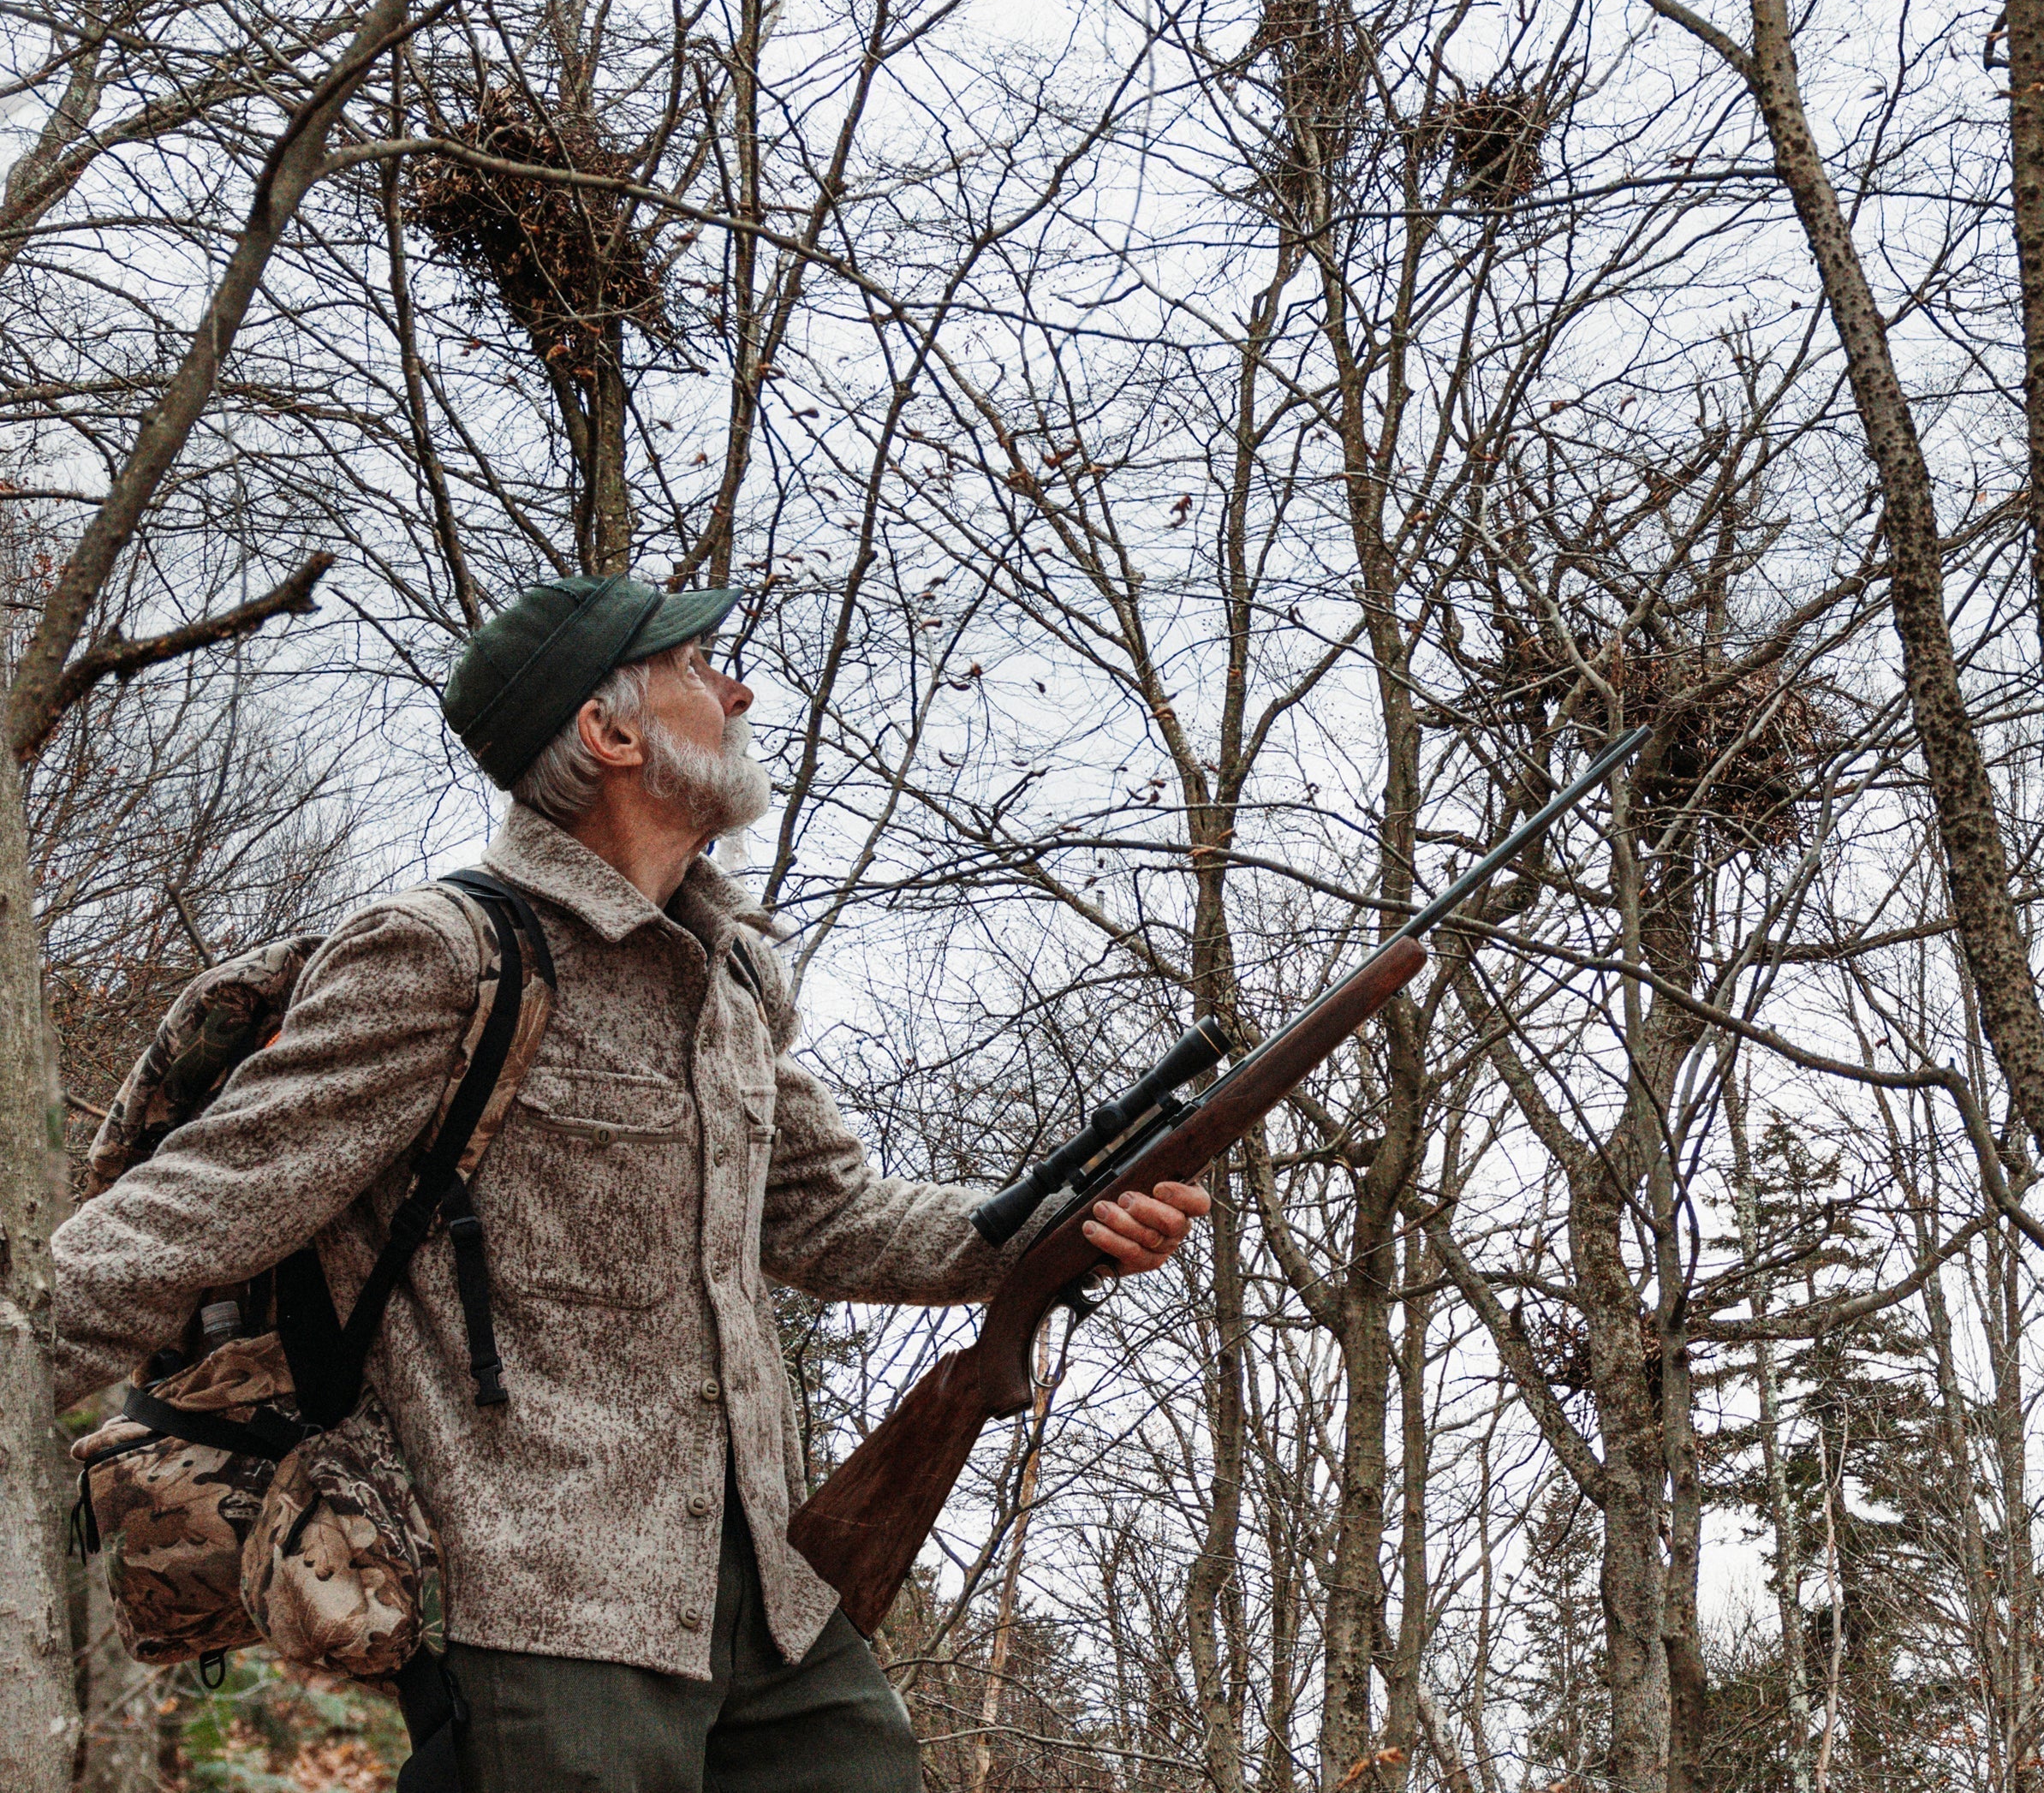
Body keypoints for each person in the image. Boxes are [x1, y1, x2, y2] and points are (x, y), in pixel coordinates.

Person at [49, 574, 1209, 1793]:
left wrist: (1066, 1224)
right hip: (548, 1616)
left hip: (779, 1599)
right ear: (609, 735)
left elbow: (829, 1213)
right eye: (701, 669)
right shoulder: (445, 956)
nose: (740, 689)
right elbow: (190, 1211)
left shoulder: (732, 974)